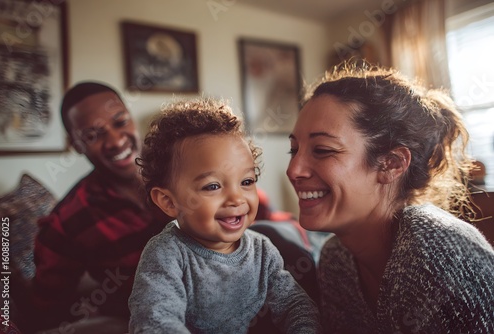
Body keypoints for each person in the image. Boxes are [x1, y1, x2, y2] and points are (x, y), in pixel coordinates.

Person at [286, 62, 494, 333]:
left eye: (323, 150)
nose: (293, 170)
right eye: (293, 150)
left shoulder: (433, 246)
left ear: (392, 164)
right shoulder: (335, 260)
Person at [129, 97, 321, 333]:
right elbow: (155, 320)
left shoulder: (262, 251)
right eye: (212, 186)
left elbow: (295, 305)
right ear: (168, 202)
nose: (236, 198)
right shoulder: (167, 255)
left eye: (247, 181)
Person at [26, 82, 173, 333]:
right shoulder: (68, 220)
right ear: (76, 145)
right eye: (93, 135)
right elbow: (45, 311)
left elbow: (246, 206)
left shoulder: (180, 169)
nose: (115, 141)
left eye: (120, 122)